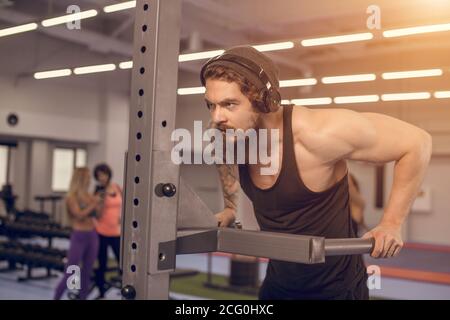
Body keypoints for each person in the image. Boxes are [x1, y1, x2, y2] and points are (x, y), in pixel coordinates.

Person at [201, 46, 432, 299]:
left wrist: (391, 223)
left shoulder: (318, 133)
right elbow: (225, 164)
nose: (217, 116)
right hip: (278, 286)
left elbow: (417, 143)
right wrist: (231, 207)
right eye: (211, 105)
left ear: (263, 100)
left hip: (336, 289)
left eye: (229, 104)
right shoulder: (230, 137)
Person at [54, 167, 100, 300]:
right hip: (79, 236)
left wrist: (100, 203)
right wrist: (93, 204)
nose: (90, 179)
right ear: (81, 179)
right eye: (87, 177)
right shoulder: (71, 197)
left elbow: (97, 215)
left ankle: (83, 297)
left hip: (92, 235)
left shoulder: (90, 196)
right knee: (72, 271)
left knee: (87, 272)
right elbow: (79, 215)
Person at [92, 163, 122, 299]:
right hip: (101, 232)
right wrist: (101, 200)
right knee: (102, 264)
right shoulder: (97, 192)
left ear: (108, 174)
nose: (102, 178)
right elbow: (96, 215)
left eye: (103, 174)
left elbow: (124, 205)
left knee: (122, 262)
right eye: (99, 176)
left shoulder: (117, 188)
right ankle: (101, 292)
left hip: (116, 232)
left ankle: (124, 288)